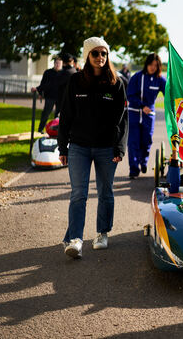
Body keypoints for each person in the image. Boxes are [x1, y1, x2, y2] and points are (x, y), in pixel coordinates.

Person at [58, 37, 128, 259]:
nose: (100, 57)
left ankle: (102, 233)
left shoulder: (117, 84)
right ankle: (75, 239)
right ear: (87, 56)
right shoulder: (76, 81)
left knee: (105, 193)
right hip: (78, 146)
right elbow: (66, 115)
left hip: (107, 148)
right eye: (95, 53)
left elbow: (122, 120)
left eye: (104, 54)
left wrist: (120, 148)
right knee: (79, 194)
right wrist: (63, 148)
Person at [126, 53, 166, 179]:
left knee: (146, 140)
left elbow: (169, 94)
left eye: (155, 65)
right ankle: (133, 169)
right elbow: (129, 95)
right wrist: (141, 106)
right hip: (133, 113)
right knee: (133, 142)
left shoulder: (160, 79)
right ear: (146, 64)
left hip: (149, 115)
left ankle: (143, 162)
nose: (152, 67)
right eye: (150, 64)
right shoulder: (137, 77)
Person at [32, 56, 63, 132]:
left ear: (62, 64)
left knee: (58, 115)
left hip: (60, 97)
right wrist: (39, 91)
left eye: (59, 63)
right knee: (46, 114)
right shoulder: (48, 72)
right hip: (50, 96)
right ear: (54, 63)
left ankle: (57, 132)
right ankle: (40, 129)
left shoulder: (64, 73)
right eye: (56, 63)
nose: (58, 65)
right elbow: (43, 84)